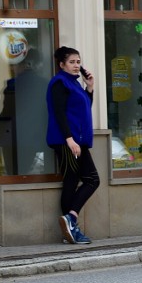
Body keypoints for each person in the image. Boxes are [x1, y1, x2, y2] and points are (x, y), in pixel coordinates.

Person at [46, 46, 100, 245]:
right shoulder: (60, 83)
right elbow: (58, 113)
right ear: (62, 65)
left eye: (78, 62)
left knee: (85, 179)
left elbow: (84, 108)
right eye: (72, 62)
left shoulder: (75, 84)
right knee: (78, 180)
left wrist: (90, 88)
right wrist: (69, 139)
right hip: (67, 141)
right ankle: (71, 223)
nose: (77, 65)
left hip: (78, 141)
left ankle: (70, 223)